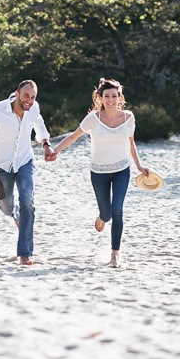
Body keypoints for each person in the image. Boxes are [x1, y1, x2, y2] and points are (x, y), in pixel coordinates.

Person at [46, 78, 150, 268]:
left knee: (117, 210)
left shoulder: (128, 117)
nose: (110, 100)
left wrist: (140, 166)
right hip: (99, 172)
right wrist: (55, 151)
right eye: (106, 96)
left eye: (114, 96)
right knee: (107, 214)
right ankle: (102, 217)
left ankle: (115, 254)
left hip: (122, 170)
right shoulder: (93, 118)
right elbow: (73, 136)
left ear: (120, 97)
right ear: (100, 98)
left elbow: (131, 143)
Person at [0, 80, 54, 265]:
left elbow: (39, 126)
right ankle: (15, 215)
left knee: (27, 202)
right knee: (6, 207)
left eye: (33, 97)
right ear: (16, 94)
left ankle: (24, 253)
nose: (29, 100)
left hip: (24, 161)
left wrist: (46, 145)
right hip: (0, 166)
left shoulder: (34, 108)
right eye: (26, 96)